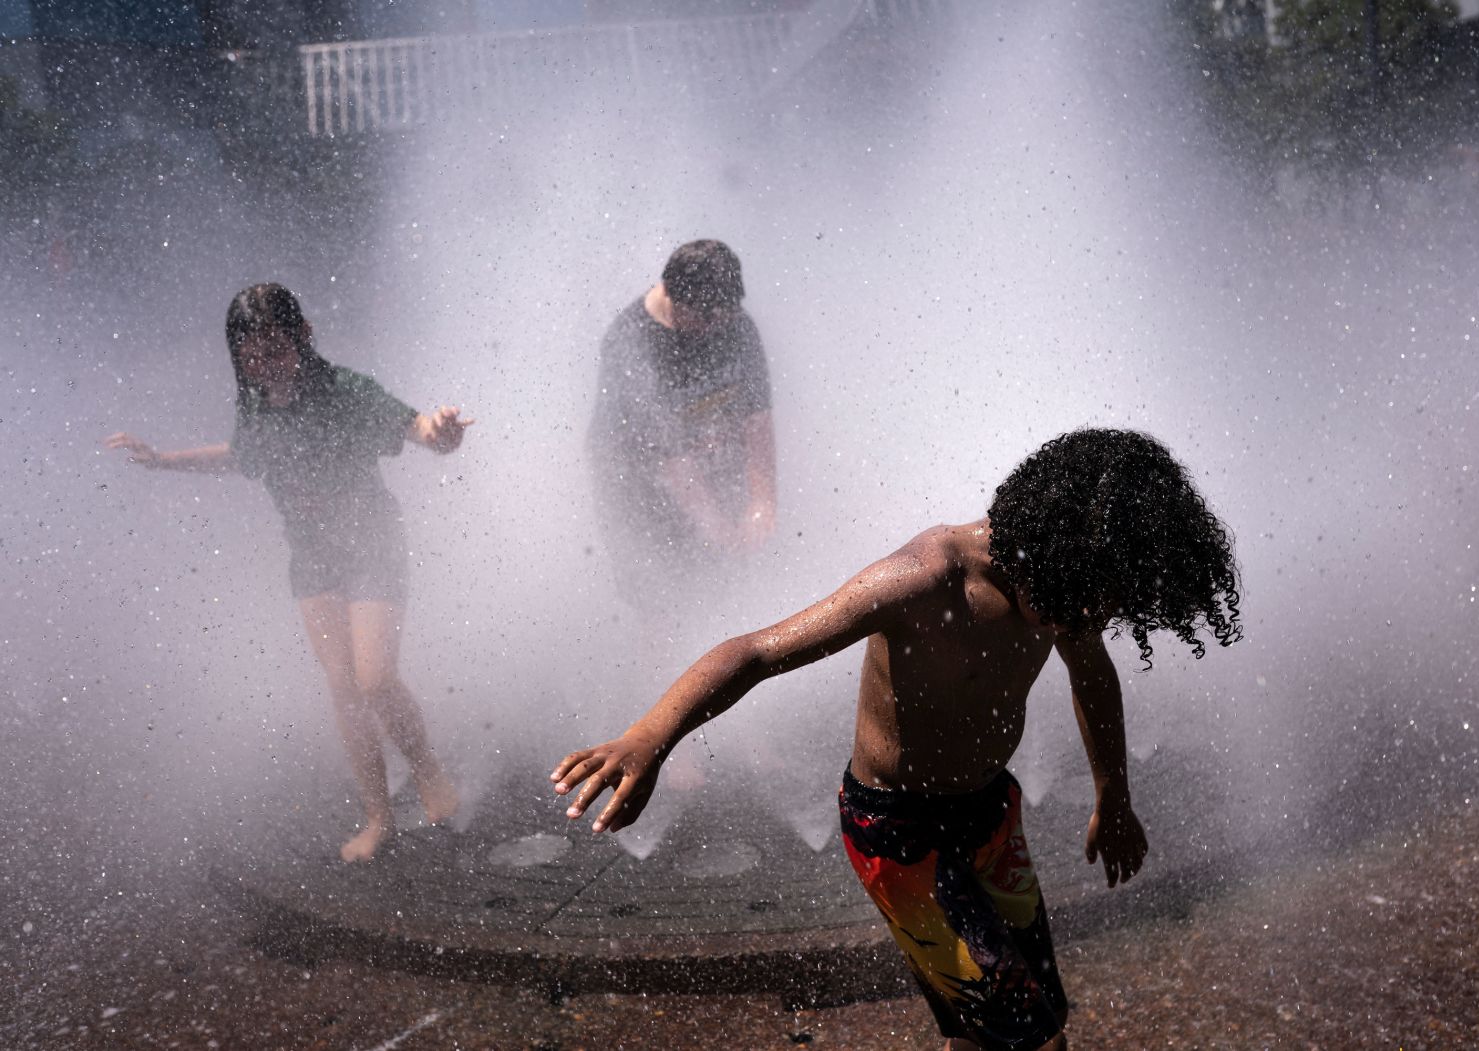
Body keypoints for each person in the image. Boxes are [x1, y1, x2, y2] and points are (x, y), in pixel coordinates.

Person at [551, 429, 1242, 1051]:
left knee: (1001, 1019)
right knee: (1031, 1035)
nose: (1086, 620)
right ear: (1050, 546)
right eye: (1085, 603)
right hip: (899, 836)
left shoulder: (1066, 584)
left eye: (1103, 607)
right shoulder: (924, 579)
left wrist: (1112, 795)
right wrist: (650, 735)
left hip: (989, 816)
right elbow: (757, 651)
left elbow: (1093, 677)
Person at [106, 283, 471, 863]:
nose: (266, 365)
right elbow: (240, 455)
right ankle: (379, 817)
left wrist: (442, 432)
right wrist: (163, 461)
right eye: (251, 356)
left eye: (276, 349)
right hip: (313, 558)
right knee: (345, 690)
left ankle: (428, 770)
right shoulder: (253, 405)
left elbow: (418, 429)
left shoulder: (344, 392)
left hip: (372, 542)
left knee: (375, 678)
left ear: (302, 336)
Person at [586, 238, 776, 611]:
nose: (716, 327)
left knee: (729, 588)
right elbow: (673, 460)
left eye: (725, 316)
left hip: (707, 459)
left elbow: (758, 417)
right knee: (663, 601)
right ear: (673, 296)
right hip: (636, 485)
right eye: (707, 318)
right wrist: (724, 534)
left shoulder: (732, 324)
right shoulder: (631, 346)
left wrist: (762, 504)